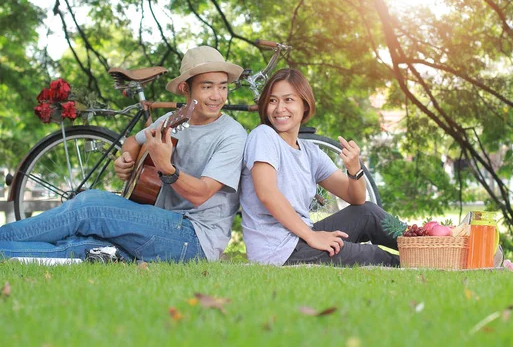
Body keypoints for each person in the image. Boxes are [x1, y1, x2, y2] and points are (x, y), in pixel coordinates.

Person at [0, 46, 248, 263]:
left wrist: (166, 168)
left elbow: (201, 194)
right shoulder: (172, 120)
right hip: (162, 225)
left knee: (89, 207)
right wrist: (126, 159)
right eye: (207, 87)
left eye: (223, 87)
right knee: (84, 247)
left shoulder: (232, 135)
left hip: (193, 238)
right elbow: (132, 141)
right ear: (186, 89)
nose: (217, 96)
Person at [240, 68, 399, 267]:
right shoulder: (263, 136)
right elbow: (267, 193)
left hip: (302, 237)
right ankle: (425, 264)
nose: (279, 108)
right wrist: (311, 236)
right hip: (279, 250)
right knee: (374, 255)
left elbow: (357, 199)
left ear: (305, 105)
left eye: (288, 100)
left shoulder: (309, 151)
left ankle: (429, 243)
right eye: (273, 101)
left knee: (368, 213)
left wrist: (354, 169)